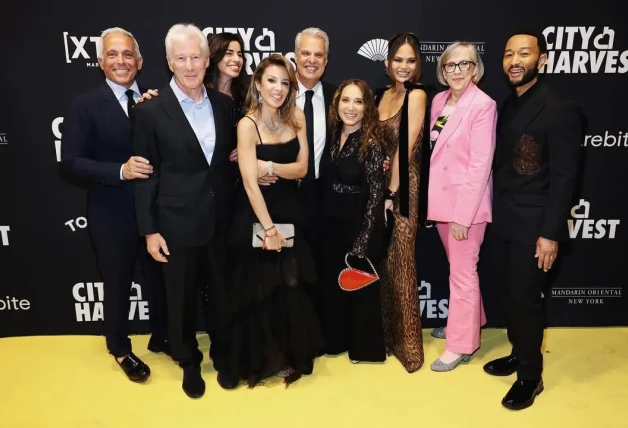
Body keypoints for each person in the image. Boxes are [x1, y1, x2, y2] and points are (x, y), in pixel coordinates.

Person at [132, 23, 237, 398]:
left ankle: (224, 356)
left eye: (196, 57)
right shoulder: (149, 111)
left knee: (222, 294)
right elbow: (144, 175)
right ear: (168, 61)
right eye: (181, 58)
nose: (190, 65)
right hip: (174, 224)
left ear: (208, 61)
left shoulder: (225, 105)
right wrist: (149, 230)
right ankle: (189, 362)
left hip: (221, 221)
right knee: (179, 299)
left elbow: (222, 161)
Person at [61, 27, 169, 383]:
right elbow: (71, 162)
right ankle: (120, 348)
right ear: (100, 62)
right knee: (118, 283)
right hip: (111, 212)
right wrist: (119, 170)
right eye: (112, 54)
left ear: (139, 62)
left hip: (154, 211)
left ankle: (162, 336)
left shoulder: (155, 100)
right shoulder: (85, 104)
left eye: (127, 55)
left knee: (159, 278)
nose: (121, 61)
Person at [484, 29, 584, 410]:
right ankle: (518, 352)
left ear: (541, 59)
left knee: (526, 300)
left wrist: (550, 235)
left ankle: (530, 376)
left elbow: (564, 178)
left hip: (535, 225)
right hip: (506, 219)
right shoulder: (510, 103)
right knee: (511, 294)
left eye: (523, 54)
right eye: (508, 54)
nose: (514, 61)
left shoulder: (559, 107)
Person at [218, 54, 324, 388]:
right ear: (258, 84)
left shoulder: (297, 117)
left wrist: (268, 167)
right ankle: (264, 359)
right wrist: (269, 229)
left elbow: (303, 169)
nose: (278, 89)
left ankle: (289, 355)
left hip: (291, 211)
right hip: (258, 215)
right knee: (260, 291)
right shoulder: (247, 125)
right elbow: (250, 184)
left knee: (290, 286)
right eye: (271, 81)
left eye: (284, 82)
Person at [426, 42, 497, 371]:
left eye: (464, 64)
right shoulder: (440, 100)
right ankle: (469, 321)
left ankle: (461, 344)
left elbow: (480, 167)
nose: (457, 70)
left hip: (465, 210)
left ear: (475, 68)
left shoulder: (483, 105)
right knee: (460, 270)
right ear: (443, 70)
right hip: (441, 203)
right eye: (450, 65)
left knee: (462, 274)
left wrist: (463, 217)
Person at [319, 79, 387, 363]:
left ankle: (365, 349)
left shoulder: (371, 143)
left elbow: (374, 196)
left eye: (358, 101)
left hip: (359, 224)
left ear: (367, 107)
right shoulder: (333, 135)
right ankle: (335, 341)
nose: (351, 107)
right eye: (345, 100)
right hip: (331, 225)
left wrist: (363, 240)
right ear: (336, 103)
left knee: (361, 289)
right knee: (333, 287)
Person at [375, 32, 427, 373]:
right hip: (379, 189)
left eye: (410, 60)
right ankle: (385, 336)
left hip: (403, 190)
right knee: (383, 263)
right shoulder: (380, 96)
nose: (404, 66)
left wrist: (391, 195)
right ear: (387, 62)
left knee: (402, 264)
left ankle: (409, 347)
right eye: (398, 59)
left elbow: (405, 150)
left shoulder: (417, 95)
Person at [206, 32, 248, 126]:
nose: (237, 59)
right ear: (215, 56)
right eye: (229, 53)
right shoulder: (202, 95)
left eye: (239, 54)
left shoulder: (247, 96)